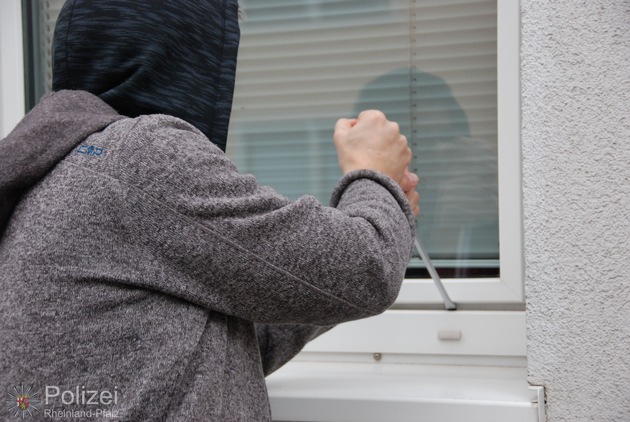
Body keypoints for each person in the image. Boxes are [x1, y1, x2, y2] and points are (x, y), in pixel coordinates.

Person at [0, 0, 419, 421]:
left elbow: (221, 349)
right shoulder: (140, 156)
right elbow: (365, 271)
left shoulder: (60, 166)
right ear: (189, 59)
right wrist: (375, 173)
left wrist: (379, 212)